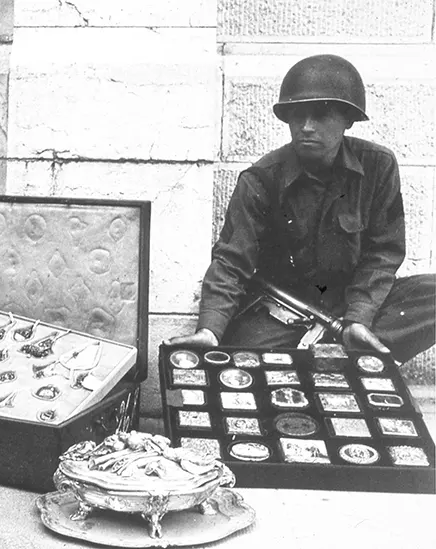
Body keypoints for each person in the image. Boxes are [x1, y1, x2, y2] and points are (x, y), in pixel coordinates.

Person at [167, 54, 435, 364]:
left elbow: (384, 253)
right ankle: (345, 357)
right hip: (283, 313)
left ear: (348, 120)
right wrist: (209, 331)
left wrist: (359, 316)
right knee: (238, 363)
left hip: (358, 301)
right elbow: (231, 262)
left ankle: (348, 345)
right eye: (297, 116)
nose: (306, 127)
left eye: (320, 116)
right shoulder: (261, 179)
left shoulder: (378, 166)